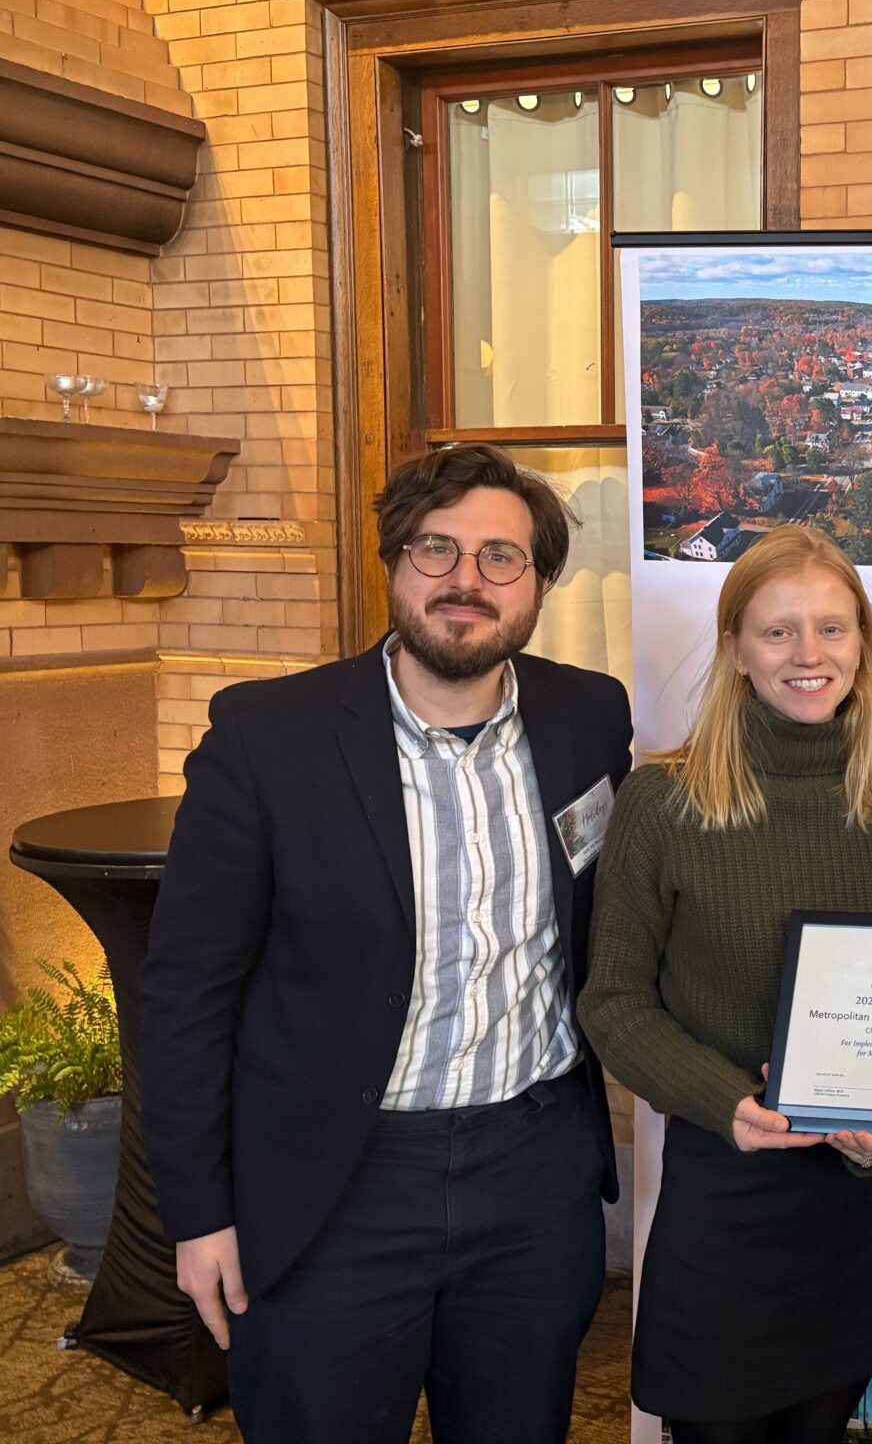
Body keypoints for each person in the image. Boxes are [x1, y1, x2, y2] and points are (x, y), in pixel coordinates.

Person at [139, 444, 634, 1444]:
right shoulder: (267, 737)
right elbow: (186, 992)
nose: (465, 581)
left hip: (533, 1180)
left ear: (538, 582)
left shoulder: (588, 717)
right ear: (393, 565)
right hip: (335, 1190)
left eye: (501, 557)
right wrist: (197, 1215)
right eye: (436, 550)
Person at [578, 524, 872, 1444]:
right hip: (725, 1198)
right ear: (737, 649)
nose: (808, 654)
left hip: (850, 1211)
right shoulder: (660, 800)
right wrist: (732, 1100)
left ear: (862, 646)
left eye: (832, 628)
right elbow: (613, 1002)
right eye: (779, 631)